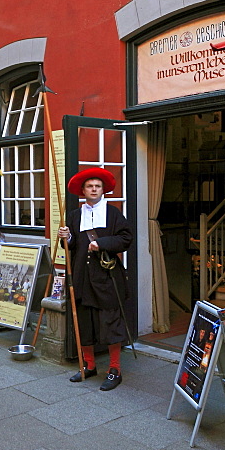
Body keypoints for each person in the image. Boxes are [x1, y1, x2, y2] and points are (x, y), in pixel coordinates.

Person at [58, 167, 133, 391]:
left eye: (97, 186)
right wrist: (67, 237)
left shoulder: (113, 214)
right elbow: (71, 246)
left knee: (111, 323)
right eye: (89, 186)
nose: (93, 189)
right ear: (83, 190)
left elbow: (126, 238)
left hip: (107, 278)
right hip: (82, 277)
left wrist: (103, 243)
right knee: (85, 322)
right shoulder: (74, 215)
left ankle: (114, 369)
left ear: (103, 190)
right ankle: (89, 365)